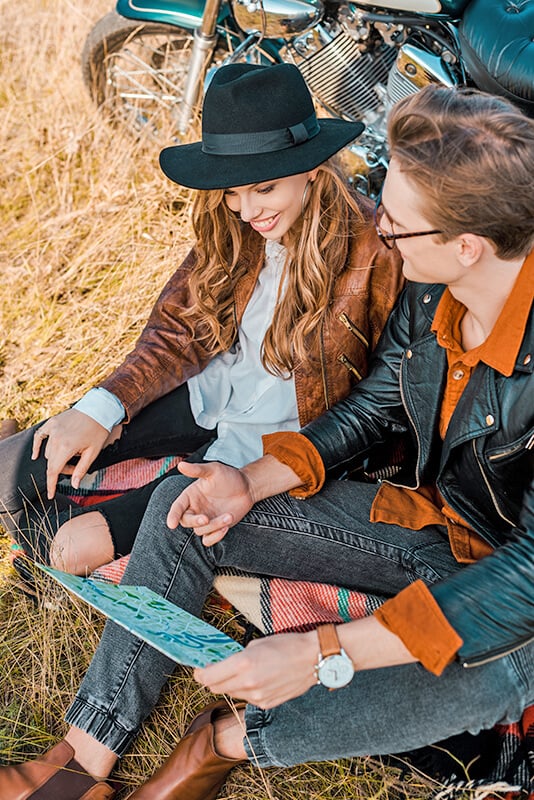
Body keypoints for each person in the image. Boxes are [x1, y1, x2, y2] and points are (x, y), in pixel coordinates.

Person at [2, 84, 533, 800]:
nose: (380, 230)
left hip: (514, 587)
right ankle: (81, 759)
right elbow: (376, 405)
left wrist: (321, 653)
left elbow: (524, 582)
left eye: (397, 226)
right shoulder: (434, 287)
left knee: (489, 683)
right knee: (185, 504)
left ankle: (222, 742)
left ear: (466, 245)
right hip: (436, 534)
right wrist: (249, 482)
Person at [0, 62, 402, 576]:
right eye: (232, 191)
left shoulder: (377, 250)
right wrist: (102, 408)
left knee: (72, 550)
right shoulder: (235, 228)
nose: (246, 210)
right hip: (210, 395)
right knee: (14, 472)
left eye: (264, 189)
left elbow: (383, 398)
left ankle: (46, 545)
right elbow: (178, 329)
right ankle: (33, 512)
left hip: (275, 443)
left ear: (313, 170)